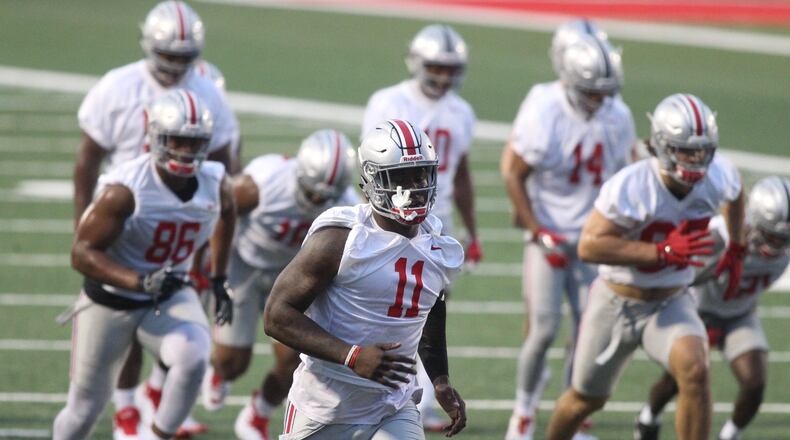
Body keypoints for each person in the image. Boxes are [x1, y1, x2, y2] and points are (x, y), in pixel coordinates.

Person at [71, 2, 239, 437]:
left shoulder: (208, 93)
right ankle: (126, 406)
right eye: (169, 56)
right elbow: (87, 159)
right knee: (113, 339)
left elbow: (224, 173)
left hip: (182, 219)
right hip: (127, 217)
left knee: (186, 338)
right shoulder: (120, 87)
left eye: (185, 57)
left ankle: (154, 406)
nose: (176, 66)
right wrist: (84, 224)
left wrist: (215, 264)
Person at [545, 93, 746, 440]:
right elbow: (590, 245)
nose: (697, 160)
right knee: (584, 400)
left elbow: (737, 194)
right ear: (663, 146)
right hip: (617, 301)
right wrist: (662, 251)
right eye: (687, 150)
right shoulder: (632, 185)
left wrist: (737, 245)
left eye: (703, 151)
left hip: (671, 300)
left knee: (696, 371)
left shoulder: (719, 175)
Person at [263, 119, 467, 439]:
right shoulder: (340, 240)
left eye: (420, 174)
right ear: (372, 181)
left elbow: (429, 306)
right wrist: (351, 354)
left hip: (392, 405)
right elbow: (276, 316)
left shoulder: (438, 245)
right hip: (325, 407)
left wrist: (439, 378)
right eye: (399, 178)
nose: (413, 188)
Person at [500, 19, 635, 440]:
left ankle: (568, 417)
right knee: (542, 330)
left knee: (586, 333)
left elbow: (626, 176)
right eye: (591, 91)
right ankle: (522, 413)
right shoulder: (545, 107)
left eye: (604, 91)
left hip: (594, 239)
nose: (599, 99)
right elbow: (514, 173)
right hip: (551, 236)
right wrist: (537, 230)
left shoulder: (618, 115)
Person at [198, 129, 360, 440]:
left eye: (324, 196)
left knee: (297, 357)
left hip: (292, 274)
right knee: (232, 363)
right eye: (312, 191)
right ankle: (219, 370)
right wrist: (212, 269)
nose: (315, 200)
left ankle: (259, 413)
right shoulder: (264, 183)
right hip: (243, 264)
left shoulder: (346, 206)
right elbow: (221, 213)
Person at [362, 23, 482, 430]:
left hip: (435, 223)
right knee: (383, 307)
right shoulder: (388, 101)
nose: (444, 76)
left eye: (451, 68)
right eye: (437, 66)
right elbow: (371, 166)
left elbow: (461, 173)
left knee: (427, 311)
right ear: (418, 62)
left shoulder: (461, 111)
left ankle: (420, 400)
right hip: (390, 217)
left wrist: (473, 230)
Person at [634, 176, 790, 440]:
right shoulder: (719, 237)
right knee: (680, 378)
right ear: (755, 221)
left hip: (740, 314)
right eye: (773, 236)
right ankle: (648, 417)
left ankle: (729, 435)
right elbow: (680, 279)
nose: (780, 245)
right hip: (699, 311)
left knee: (754, 383)